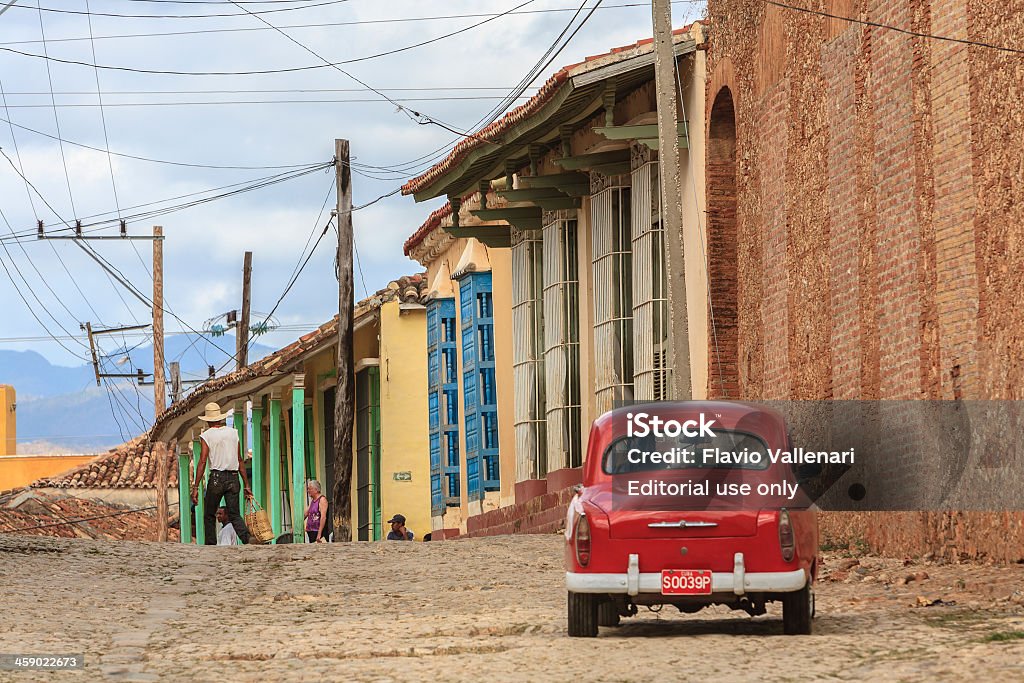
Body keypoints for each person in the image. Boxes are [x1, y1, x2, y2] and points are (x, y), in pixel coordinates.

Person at [191, 402, 257, 545]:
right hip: (233, 478)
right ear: (220, 418)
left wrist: (196, 487)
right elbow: (239, 459)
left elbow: (202, 461)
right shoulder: (233, 433)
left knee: (209, 514)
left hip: (216, 478)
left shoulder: (206, 436)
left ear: (208, 420)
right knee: (234, 513)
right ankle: (247, 538)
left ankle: (211, 544)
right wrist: (246, 484)